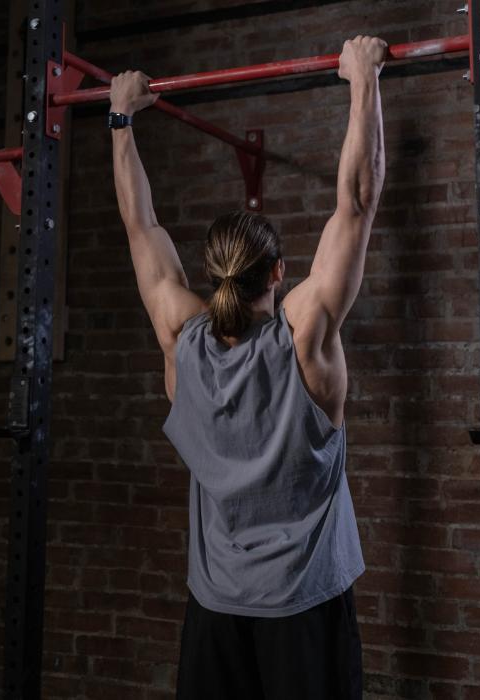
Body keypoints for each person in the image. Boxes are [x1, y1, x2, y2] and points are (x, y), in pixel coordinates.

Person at [109, 34, 387, 700]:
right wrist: (363, 79)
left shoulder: (182, 337)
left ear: (210, 272)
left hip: (215, 615)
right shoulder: (305, 339)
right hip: (304, 608)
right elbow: (356, 204)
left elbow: (140, 228)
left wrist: (120, 120)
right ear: (280, 273)